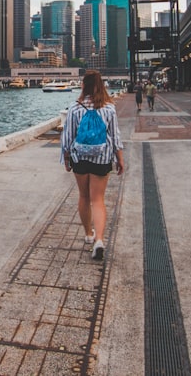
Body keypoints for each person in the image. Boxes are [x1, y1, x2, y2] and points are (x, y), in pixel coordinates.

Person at [61, 70, 125, 260]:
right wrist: (119, 158)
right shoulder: (108, 108)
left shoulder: (75, 107)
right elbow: (115, 137)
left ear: (83, 85)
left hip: (79, 157)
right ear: (101, 85)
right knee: (98, 199)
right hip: (102, 157)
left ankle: (88, 234)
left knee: (83, 196)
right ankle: (99, 239)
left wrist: (65, 158)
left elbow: (68, 137)